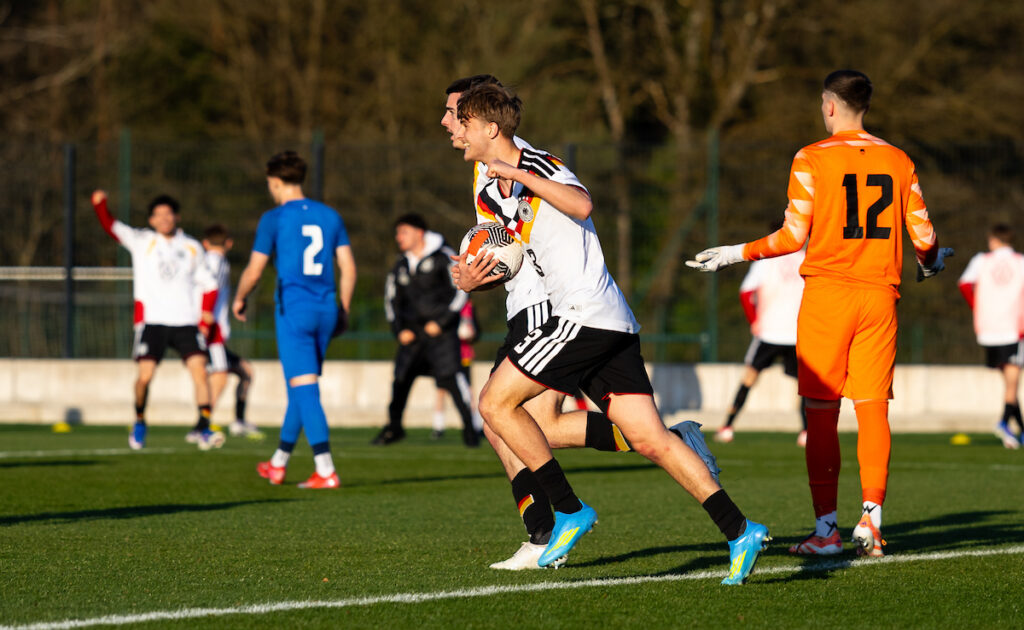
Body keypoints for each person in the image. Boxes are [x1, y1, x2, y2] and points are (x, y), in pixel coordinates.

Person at [453, 83, 768, 585]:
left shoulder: (536, 164)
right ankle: (740, 529)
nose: (457, 129)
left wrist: (521, 175)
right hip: (607, 320)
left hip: (581, 314)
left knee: (494, 404)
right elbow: (517, 256)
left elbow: (582, 205)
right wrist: (477, 276)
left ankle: (569, 510)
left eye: (463, 121)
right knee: (651, 439)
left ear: (491, 129)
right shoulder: (493, 187)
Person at [687, 70, 953, 558]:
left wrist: (733, 253)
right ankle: (872, 520)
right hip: (880, 297)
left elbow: (792, 237)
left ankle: (826, 530)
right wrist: (932, 262)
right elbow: (924, 237)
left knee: (823, 412)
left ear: (829, 105)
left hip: (829, 296)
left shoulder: (811, 156)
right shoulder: (899, 160)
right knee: (873, 408)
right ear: (864, 106)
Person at [233, 151, 357, 489]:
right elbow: (348, 268)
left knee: (305, 389)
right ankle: (278, 463)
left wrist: (240, 297)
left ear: (275, 182)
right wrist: (344, 308)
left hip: (295, 311)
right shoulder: (330, 215)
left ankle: (325, 469)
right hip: (326, 310)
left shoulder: (273, 218)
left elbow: (254, 270)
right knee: (301, 388)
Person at [91, 190, 224, 451]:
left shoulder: (192, 247)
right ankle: (140, 421)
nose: (164, 219)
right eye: (158, 215)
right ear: (151, 220)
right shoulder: (143, 241)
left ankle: (204, 426)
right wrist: (100, 205)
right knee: (145, 376)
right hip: (152, 321)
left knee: (200, 371)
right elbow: (111, 226)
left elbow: (210, 284)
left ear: (176, 217)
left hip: (186, 321)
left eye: (168, 214)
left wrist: (206, 315)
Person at [376, 213, 479, 447]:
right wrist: (399, 330)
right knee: (400, 380)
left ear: (419, 233)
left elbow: (461, 290)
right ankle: (393, 428)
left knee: (453, 380)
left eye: (404, 232)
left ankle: (470, 432)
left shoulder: (444, 257)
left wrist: (442, 322)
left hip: (441, 335)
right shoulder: (400, 264)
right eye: (397, 233)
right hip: (412, 336)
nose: (398, 237)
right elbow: (391, 300)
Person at [716, 225, 807, 446]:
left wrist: (754, 320)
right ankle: (806, 432)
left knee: (749, 378)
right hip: (798, 333)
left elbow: (746, 292)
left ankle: (727, 427)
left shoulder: (765, 261)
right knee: (804, 386)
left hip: (769, 332)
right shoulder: (806, 259)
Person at [958, 224, 1024, 449]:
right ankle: (1003, 422)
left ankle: (1020, 430)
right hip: (1014, 329)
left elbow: (965, 284)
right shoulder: (1020, 262)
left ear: (995, 240)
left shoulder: (981, 260)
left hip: (988, 329)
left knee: (1009, 384)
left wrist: (977, 308)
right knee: (1013, 383)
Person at [200, 224, 263, 440]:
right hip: (212, 333)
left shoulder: (213, 261)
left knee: (246, 372)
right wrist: (205, 321)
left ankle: (238, 421)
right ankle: (202, 425)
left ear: (205, 243)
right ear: (229, 243)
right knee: (219, 377)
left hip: (213, 331)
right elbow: (208, 290)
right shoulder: (214, 262)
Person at [432, 300, 484, 440]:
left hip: (464, 356)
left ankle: (475, 425)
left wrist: (471, 334)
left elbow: (477, 331)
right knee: (441, 390)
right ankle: (438, 426)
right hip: (445, 355)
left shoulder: (468, 306)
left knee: (468, 391)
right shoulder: (442, 305)